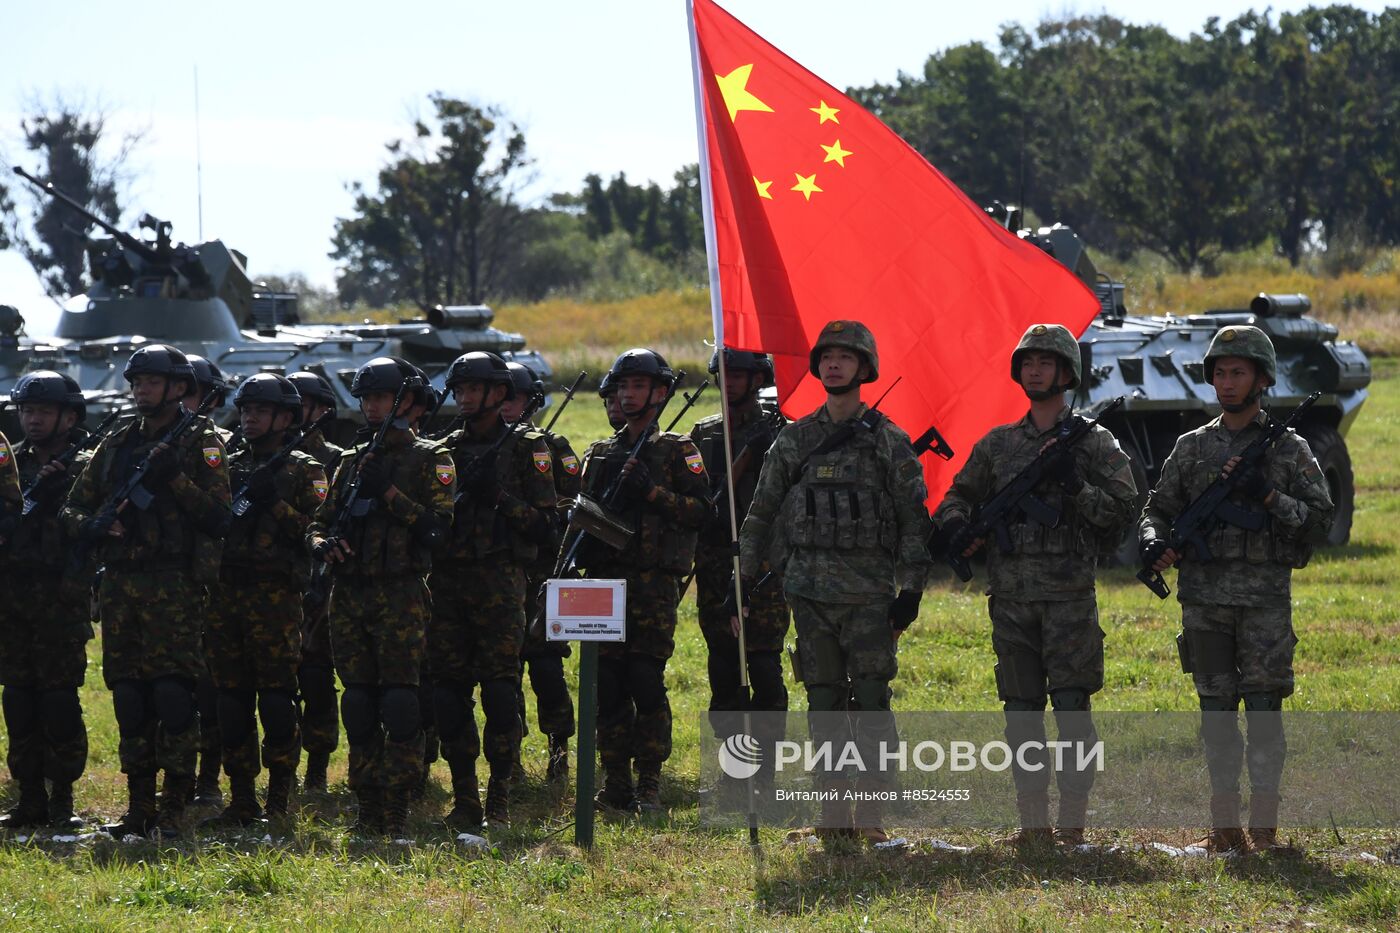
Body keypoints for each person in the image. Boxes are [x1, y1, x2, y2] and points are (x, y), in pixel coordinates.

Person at [931, 323, 1138, 847]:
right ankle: (1032, 825)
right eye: (1028, 362)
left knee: (1072, 713)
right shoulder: (998, 444)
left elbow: (1121, 516)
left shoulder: (1094, 443)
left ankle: (1072, 826)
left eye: (1046, 362)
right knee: (1021, 715)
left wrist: (1076, 485)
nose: (1035, 370)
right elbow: (956, 496)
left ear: (1067, 373)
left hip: (1069, 600)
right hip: (1011, 600)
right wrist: (958, 526)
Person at [1139, 325, 1333, 854]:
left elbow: (1320, 521)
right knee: (1216, 716)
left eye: (1238, 373)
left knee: (1265, 714)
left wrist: (1268, 496)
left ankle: (1264, 830)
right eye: (1221, 373)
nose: (1227, 382)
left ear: (1262, 379)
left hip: (1264, 602)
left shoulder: (1288, 450)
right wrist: (1153, 540)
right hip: (1204, 603)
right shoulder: (1192, 447)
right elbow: (1157, 509)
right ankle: (1224, 828)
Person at [738, 320, 930, 847]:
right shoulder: (795, 438)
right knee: (822, 704)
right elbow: (762, 511)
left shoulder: (887, 440)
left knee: (870, 701)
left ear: (865, 368)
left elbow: (914, 521)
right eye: (827, 357)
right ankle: (832, 813)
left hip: (868, 597)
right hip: (809, 595)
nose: (834, 364)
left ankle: (870, 815)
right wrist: (744, 579)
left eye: (845, 357)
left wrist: (910, 592)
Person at [62, 345, 231, 839]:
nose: (141, 390)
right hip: (121, 584)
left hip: (174, 584)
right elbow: (73, 507)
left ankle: (175, 804)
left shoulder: (202, 442)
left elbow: (219, 518)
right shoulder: (117, 441)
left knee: (173, 695)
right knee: (129, 697)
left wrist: (175, 478)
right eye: (136, 382)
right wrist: (93, 525)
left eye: (152, 382)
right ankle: (138, 805)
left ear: (178, 388)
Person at [306, 357, 454, 838]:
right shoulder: (351, 461)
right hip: (350, 594)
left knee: (400, 703)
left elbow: (438, 529)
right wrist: (321, 544)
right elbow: (319, 521)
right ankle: (367, 803)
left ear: (409, 403)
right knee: (359, 703)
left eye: (382, 398)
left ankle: (398, 805)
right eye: (366, 397)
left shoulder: (431, 459)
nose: (372, 406)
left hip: (400, 593)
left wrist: (388, 493)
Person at [577, 348, 711, 814]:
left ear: (659, 393)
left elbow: (703, 511)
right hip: (605, 581)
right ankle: (615, 780)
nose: (628, 395)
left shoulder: (677, 450)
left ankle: (649, 781)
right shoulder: (600, 453)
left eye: (638, 386)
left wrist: (652, 493)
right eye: (623, 387)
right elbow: (582, 514)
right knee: (608, 684)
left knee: (645, 678)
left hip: (653, 584)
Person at [430, 352, 555, 831]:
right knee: (448, 694)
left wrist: (499, 498)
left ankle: (499, 796)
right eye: (459, 389)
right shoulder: (444, 450)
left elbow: (547, 526)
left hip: (501, 583)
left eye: (472, 389)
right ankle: (465, 797)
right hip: (448, 584)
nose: (463, 397)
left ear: (498, 393)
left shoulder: (528, 448)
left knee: (501, 693)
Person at [202, 374, 327, 826]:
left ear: (285, 418)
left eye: (260, 411)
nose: (249, 418)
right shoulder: (226, 464)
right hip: (225, 595)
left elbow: (317, 530)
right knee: (231, 701)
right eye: (246, 410)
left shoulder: (306, 470)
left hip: (275, 598)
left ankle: (278, 799)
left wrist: (274, 502)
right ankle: (241, 798)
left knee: (276, 700)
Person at [689, 349, 789, 793]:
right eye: (724, 373)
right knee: (724, 665)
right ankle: (733, 771)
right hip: (714, 562)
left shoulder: (780, 432)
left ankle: (764, 773)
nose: (729, 381)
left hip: (763, 564)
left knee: (763, 666)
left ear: (758, 379)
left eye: (740, 374)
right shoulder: (705, 433)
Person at [0, 373, 95, 830]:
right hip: (12, 600)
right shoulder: (9, 464)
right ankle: (29, 797)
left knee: (59, 701)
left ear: (69, 417)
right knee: (18, 700)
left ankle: (62, 798)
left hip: (62, 599)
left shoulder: (90, 465)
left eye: (43, 411)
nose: (32, 420)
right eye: (26, 411)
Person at [504, 361, 578, 784]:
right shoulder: (479, 449)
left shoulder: (552, 447)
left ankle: (559, 754)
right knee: (504, 674)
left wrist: (538, 512)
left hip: (545, 573)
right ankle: (509, 760)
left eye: (514, 398)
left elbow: (573, 503)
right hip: (499, 576)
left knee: (547, 669)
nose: (506, 406)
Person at [286, 370, 343, 793]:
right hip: (275, 581)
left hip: (321, 582)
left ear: (322, 410)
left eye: (302, 403)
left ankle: (317, 770)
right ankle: (282, 767)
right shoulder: (262, 454)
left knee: (318, 677)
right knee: (278, 682)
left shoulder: (336, 460)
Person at [185, 353, 233, 806]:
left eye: (191, 393)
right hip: (169, 584)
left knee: (210, 686)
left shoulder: (225, 448)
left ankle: (208, 780)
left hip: (218, 586)